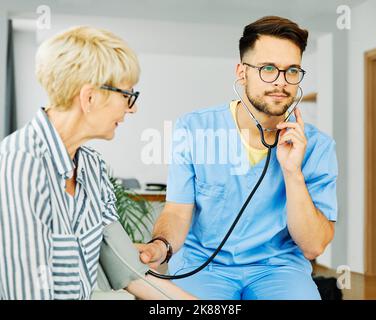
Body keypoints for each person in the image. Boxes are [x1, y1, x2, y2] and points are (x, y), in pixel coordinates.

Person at [135, 16, 338, 300]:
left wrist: (293, 172)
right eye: (268, 68)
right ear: (242, 73)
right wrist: (161, 246)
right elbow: (178, 211)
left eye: (291, 71)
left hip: (278, 269)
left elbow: (313, 247)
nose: (281, 82)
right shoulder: (194, 129)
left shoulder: (318, 147)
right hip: (203, 266)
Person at [0, 26, 196, 300]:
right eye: (127, 95)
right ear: (89, 97)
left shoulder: (92, 167)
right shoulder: (20, 164)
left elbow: (129, 270)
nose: (133, 107)